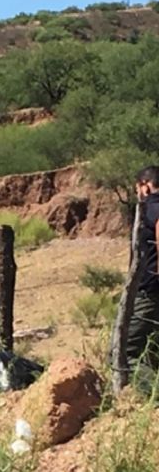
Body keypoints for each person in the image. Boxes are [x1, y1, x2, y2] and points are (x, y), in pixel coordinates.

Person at [127, 165, 159, 391]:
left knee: (124, 352)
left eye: (138, 188)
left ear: (145, 186)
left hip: (150, 290)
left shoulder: (153, 204)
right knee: (152, 351)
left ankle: (154, 395)